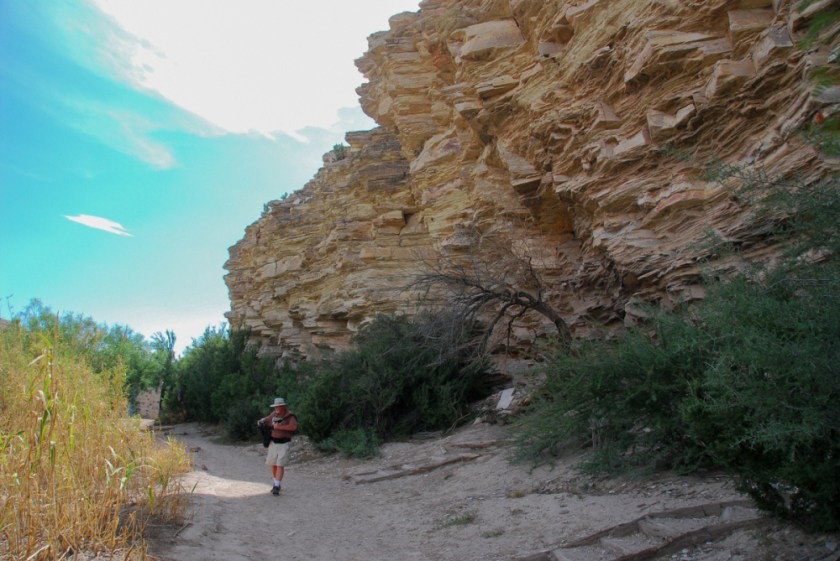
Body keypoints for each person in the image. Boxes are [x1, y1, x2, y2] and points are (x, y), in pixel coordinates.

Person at [257, 397, 298, 495]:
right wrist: (261, 421)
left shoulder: (290, 416)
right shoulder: (274, 414)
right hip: (273, 443)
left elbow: (294, 426)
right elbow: (266, 420)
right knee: (274, 464)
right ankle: (276, 483)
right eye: (276, 406)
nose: (277, 408)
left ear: (283, 406)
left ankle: (276, 485)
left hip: (284, 443)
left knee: (280, 464)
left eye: (278, 406)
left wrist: (281, 427)